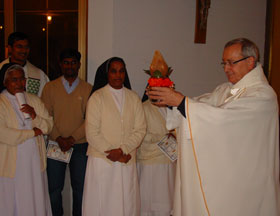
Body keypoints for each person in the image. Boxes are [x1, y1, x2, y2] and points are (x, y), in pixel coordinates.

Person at [147, 38, 280, 216]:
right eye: (223, 63)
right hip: (228, 180)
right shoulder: (226, 90)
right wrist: (170, 102)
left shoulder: (263, 97)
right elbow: (198, 106)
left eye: (231, 63)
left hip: (248, 185)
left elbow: (222, 120)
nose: (226, 69)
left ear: (250, 62)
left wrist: (180, 102)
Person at [83, 57, 146, 216]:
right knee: (102, 203)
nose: (118, 75)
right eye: (113, 71)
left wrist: (122, 150)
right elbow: (91, 132)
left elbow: (140, 129)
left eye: (121, 71)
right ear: (107, 74)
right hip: (102, 160)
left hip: (126, 159)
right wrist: (112, 152)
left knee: (126, 204)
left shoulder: (134, 98)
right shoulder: (97, 97)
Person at [41, 49, 92, 216]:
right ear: (60, 64)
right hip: (56, 144)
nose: (70, 66)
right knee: (53, 189)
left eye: (73, 62)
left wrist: (72, 138)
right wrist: (58, 137)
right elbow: (45, 117)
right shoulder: (50, 88)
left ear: (79, 65)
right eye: (66, 62)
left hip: (79, 145)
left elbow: (90, 119)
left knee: (81, 190)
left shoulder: (88, 89)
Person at [0, 63, 53, 215]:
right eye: (14, 80)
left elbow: (48, 126)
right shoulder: (1, 102)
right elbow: (3, 134)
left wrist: (35, 116)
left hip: (34, 162)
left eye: (22, 79)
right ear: (5, 82)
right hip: (11, 163)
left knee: (35, 197)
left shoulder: (34, 100)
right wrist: (31, 133)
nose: (19, 83)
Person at [137, 96, 176, 216]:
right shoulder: (143, 108)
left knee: (167, 202)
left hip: (169, 161)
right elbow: (139, 134)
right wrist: (163, 137)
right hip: (151, 163)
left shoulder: (171, 108)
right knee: (149, 204)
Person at [0, 32, 49, 96]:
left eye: (26, 47)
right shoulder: (1, 69)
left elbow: (44, 99)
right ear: (10, 48)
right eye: (19, 46)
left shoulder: (39, 74)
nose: (24, 51)